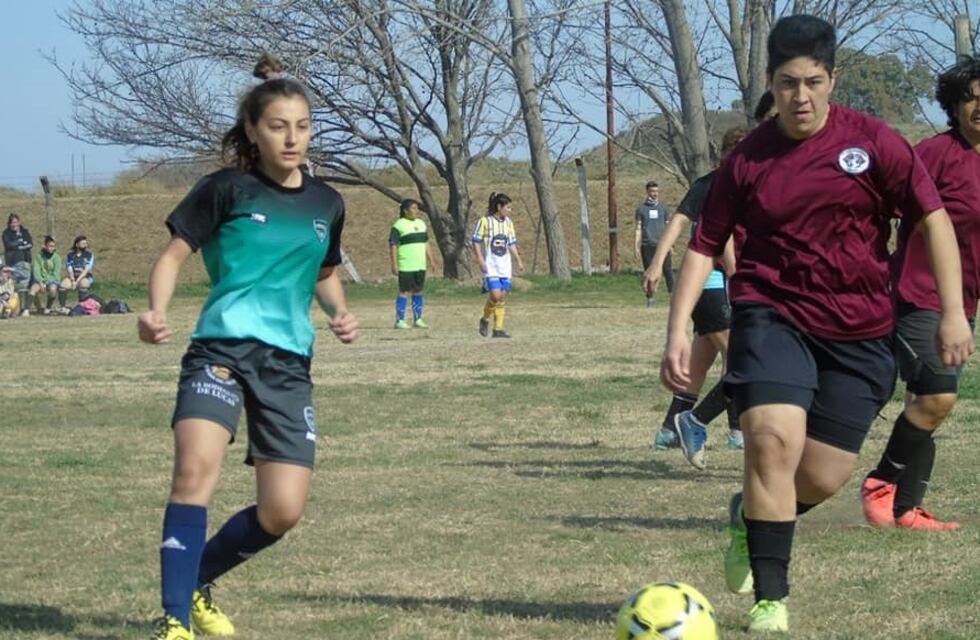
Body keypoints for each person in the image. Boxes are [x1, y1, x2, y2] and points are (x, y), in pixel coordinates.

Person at [661, 15, 973, 633]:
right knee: (772, 440)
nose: (800, 97)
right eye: (786, 83)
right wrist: (676, 331)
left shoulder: (876, 143)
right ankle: (771, 598)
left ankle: (748, 515)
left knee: (823, 476)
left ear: (832, 80)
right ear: (769, 83)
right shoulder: (748, 159)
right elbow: (704, 244)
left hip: (859, 327)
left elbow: (933, 220)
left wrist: (955, 310)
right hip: (772, 314)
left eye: (813, 82)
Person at [138, 58, 358, 640]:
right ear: (253, 131)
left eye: (303, 126)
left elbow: (324, 270)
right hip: (221, 351)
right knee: (194, 471)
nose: (293, 137)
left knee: (282, 511)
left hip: (287, 366)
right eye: (279, 125)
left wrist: (338, 313)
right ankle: (174, 620)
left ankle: (197, 580)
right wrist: (157, 310)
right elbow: (171, 258)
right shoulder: (224, 190)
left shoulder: (326, 204)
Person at [861, 55, 980, 531]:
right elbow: (877, 203)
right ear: (954, 105)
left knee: (924, 402)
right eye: (970, 97)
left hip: (960, 302)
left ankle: (906, 509)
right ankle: (881, 482)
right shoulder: (934, 154)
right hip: (916, 294)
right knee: (937, 395)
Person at [644, 128, 745, 462]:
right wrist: (657, 263)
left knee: (699, 366)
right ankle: (733, 430)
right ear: (726, 155)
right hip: (710, 284)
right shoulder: (711, 185)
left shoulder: (747, 186)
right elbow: (681, 224)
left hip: (719, 285)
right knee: (741, 359)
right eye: (736, 153)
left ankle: (670, 431)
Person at [472, 192, 524, 338]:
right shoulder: (485, 221)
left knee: (502, 297)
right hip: (491, 265)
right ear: (499, 207)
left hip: (505, 266)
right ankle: (484, 319)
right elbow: (475, 241)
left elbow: (511, 243)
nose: (510, 210)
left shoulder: (508, 223)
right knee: (495, 296)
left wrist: (518, 260)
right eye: (508, 207)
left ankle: (498, 329)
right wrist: (480, 260)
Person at [389, 198, 435, 329]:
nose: (416, 211)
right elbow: (392, 245)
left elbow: (426, 243)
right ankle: (400, 320)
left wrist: (431, 260)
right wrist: (394, 264)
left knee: (418, 291)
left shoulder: (421, 224)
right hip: (406, 265)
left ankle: (418, 319)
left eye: (417, 208)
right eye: (413, 208)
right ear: (405, 211)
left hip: (420, 264)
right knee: (403, 291)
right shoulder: (398, 225)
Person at [634, 181, 673, 304]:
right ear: (647, 192)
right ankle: (650, 298)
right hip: (647, 245)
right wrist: (636, 246)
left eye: (656, 191)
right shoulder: (641, 209)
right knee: (649, 272)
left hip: (663, 245)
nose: (655, 194)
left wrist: (671, 244)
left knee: (668, 271)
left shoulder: (664, 208)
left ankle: (673, 297)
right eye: (652, 191)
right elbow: (638, 229)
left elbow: (669, 228)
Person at [2, 213, 33, 316]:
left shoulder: (25, 232)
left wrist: (19, 244)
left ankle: (24, 308)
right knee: (15, 286)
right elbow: (10, 245)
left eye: (15, 222)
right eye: (12, 223)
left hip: (26, 261)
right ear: (9, 223)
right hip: (13, 262)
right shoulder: (6, 233)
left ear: (19, 222)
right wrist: (21, 243)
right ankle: (15, 308)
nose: (14, 224)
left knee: (25, 284)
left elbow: (30, 244)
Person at [29, 236, 63, 315]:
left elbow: (56, 274)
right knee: (33, 289)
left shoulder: (57, 258)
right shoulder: (39, 256)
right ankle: (27, 310)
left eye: (53, 246)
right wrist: (41, 281)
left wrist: (46, 282)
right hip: (40, 281)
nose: (52, 248)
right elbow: (36, 271)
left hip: (52, 281)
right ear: (45, 246)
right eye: (50, 246)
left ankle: (48, 308)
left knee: (53, 289)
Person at [61, 235, 95, 306]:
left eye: (86, 244)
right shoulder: (70, 255)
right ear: (77, 245)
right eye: (83, 244)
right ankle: (63, 307)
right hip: (73, 277)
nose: (85, 245)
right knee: (63, 285)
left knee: (83, 284)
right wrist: (73, 280)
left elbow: (86, 270)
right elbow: (69, 268)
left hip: (85, 277)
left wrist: (77, 282)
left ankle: (82, 306)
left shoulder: (89, 255)